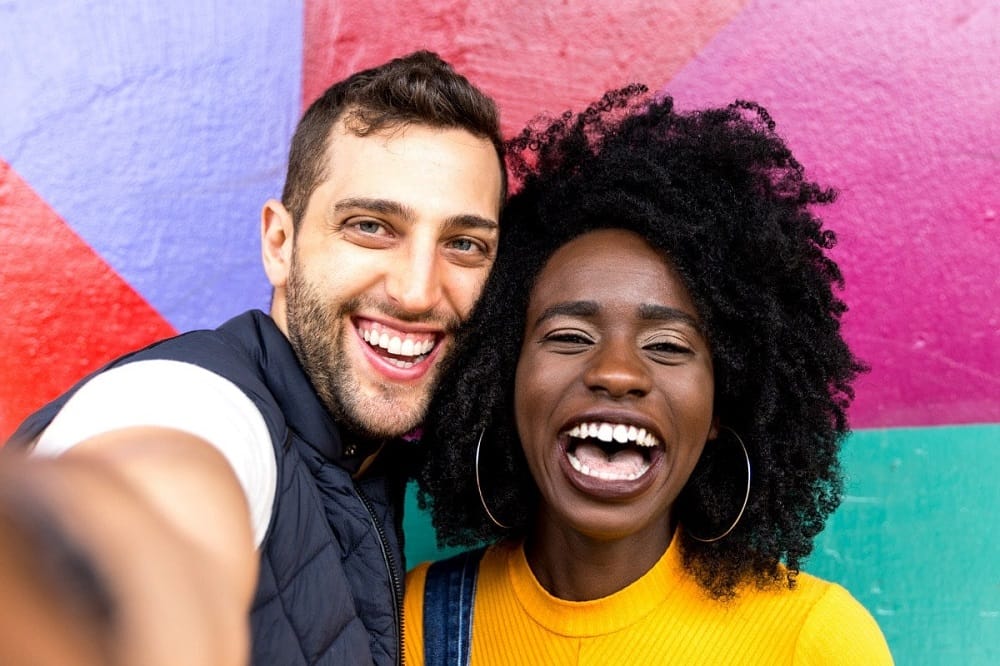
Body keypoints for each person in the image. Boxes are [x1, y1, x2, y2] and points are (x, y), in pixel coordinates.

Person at [1, 50, 506, 665]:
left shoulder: (371, 464)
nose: (418, 291)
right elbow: (152, 501)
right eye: (371, 226)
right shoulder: (202, 402)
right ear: (280, 243)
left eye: (464, 244)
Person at [404, 86, 894, 664]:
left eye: (667, 345)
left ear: (721, 403)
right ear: (501, 378)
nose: (616, 372)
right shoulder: (416, 622)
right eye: (569, 336)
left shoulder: (811, 640)